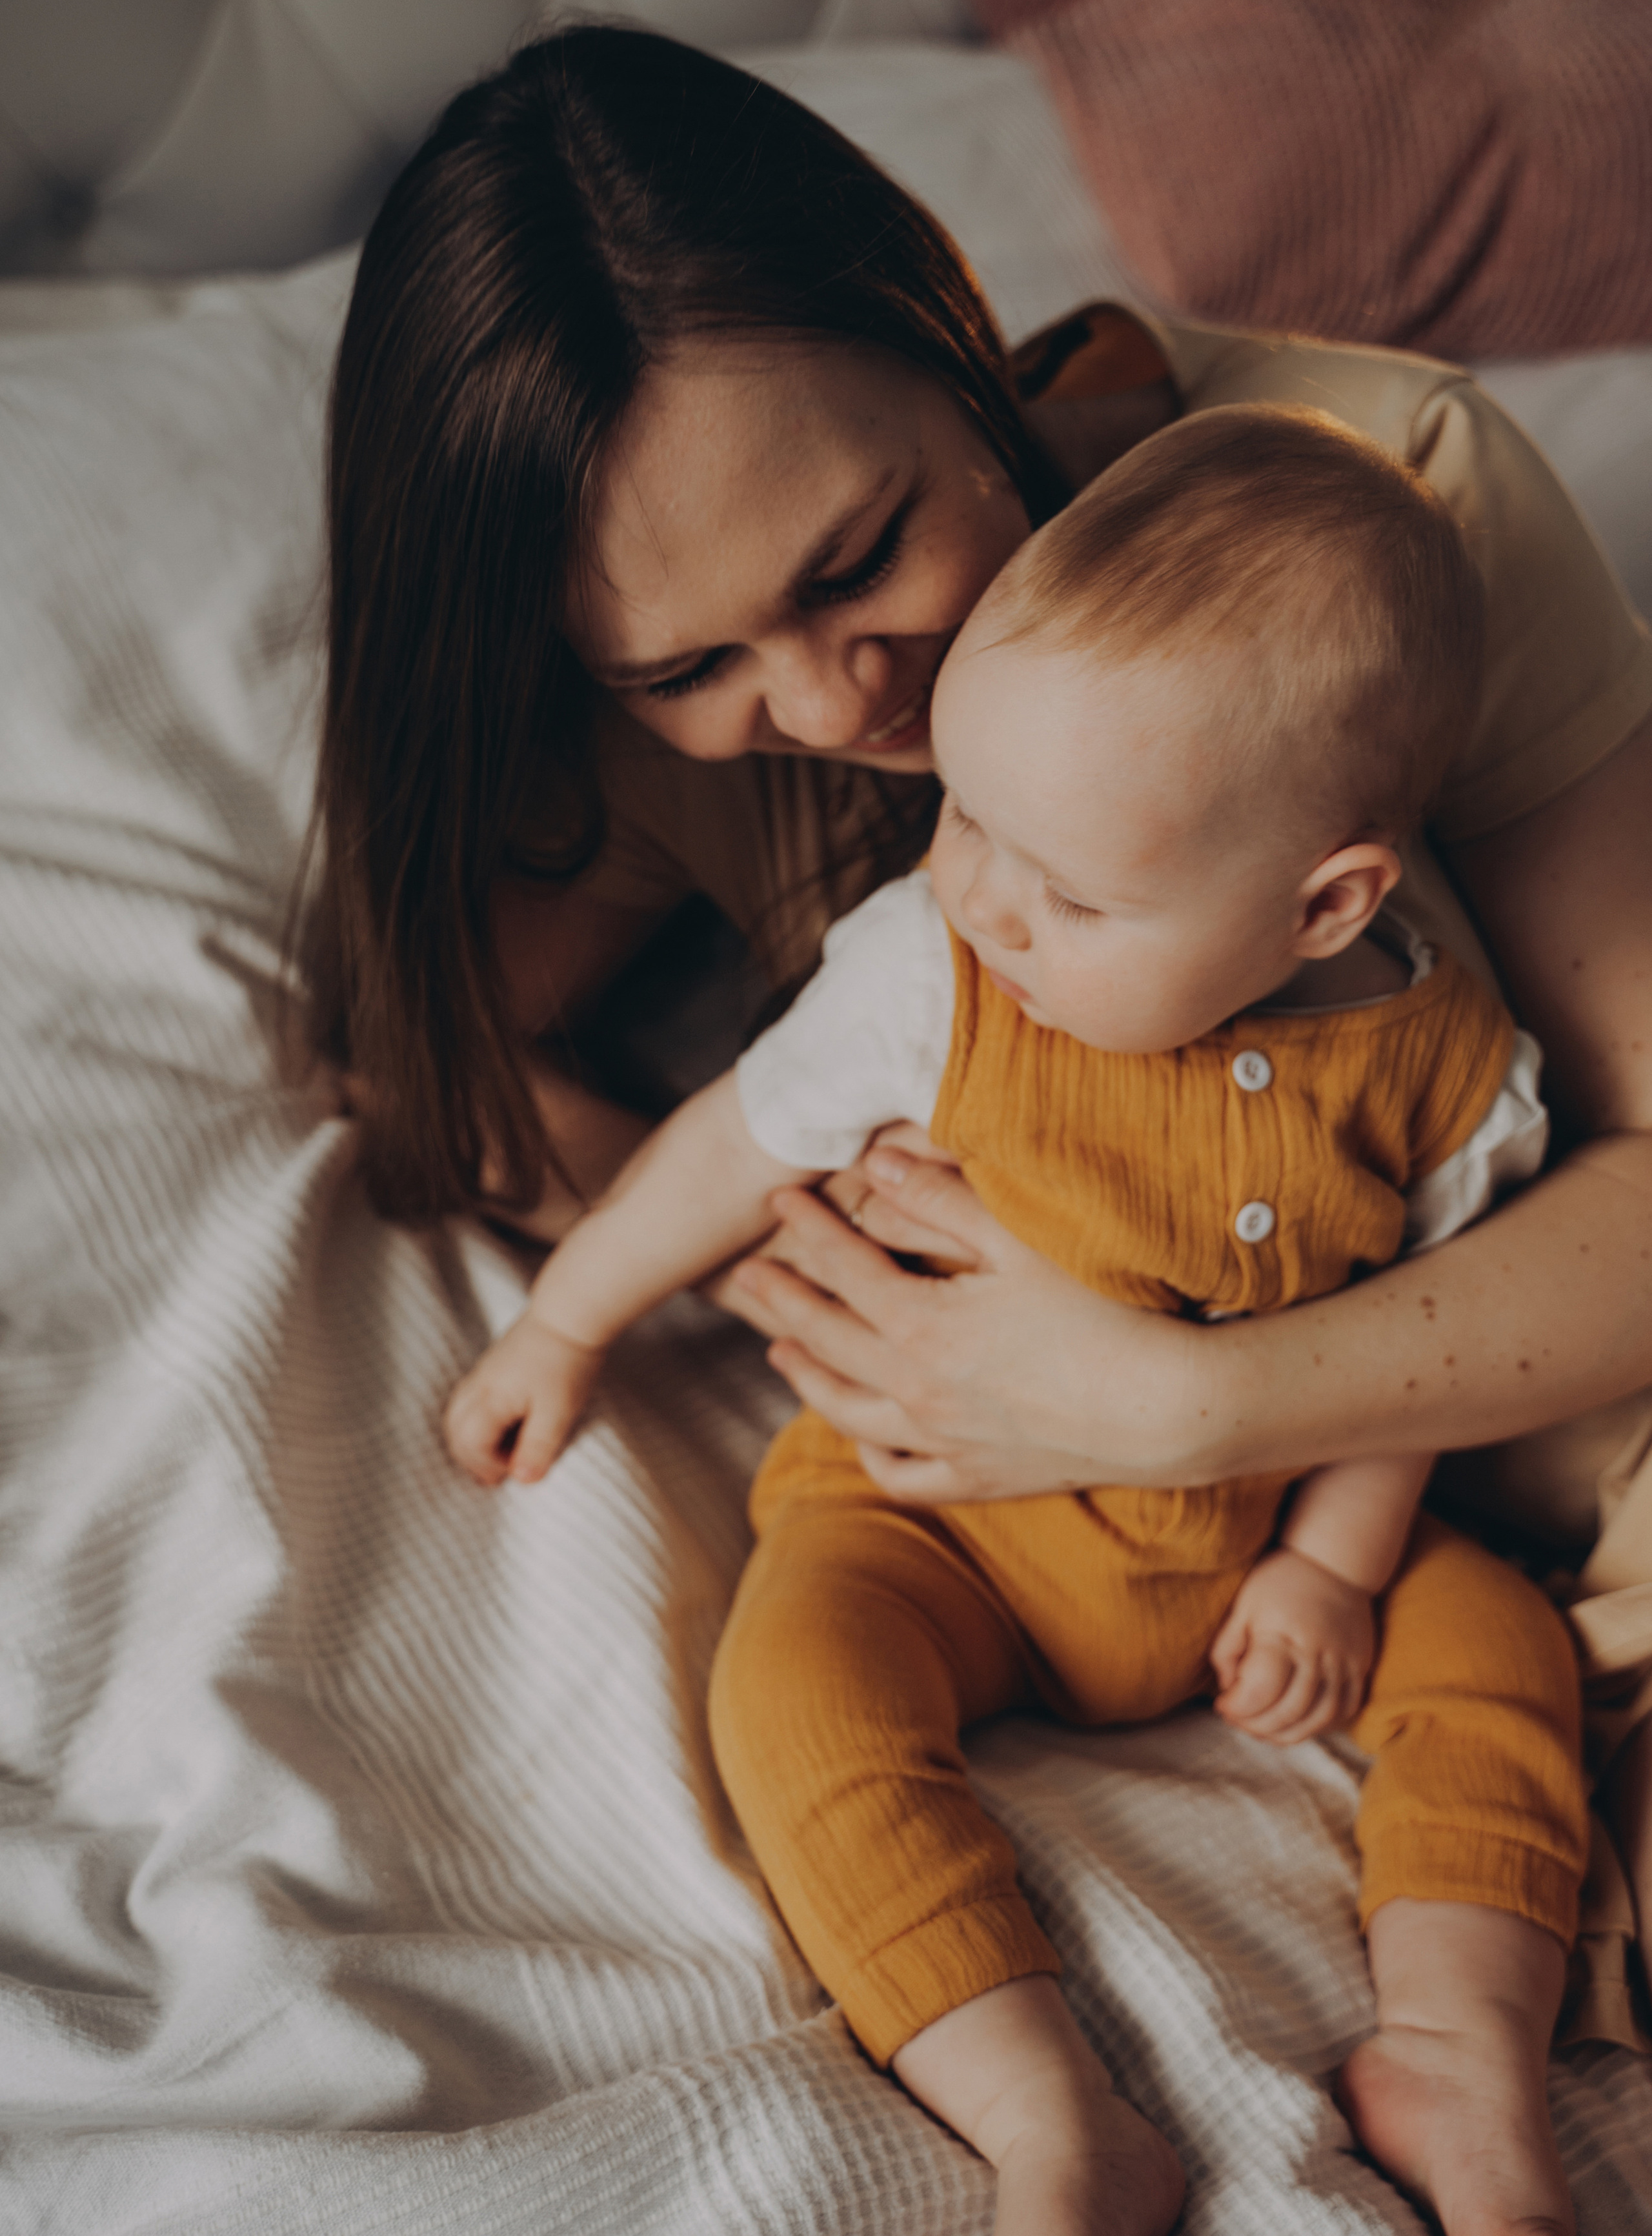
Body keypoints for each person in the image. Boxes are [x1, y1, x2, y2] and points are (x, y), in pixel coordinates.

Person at [308, 24, 1652, 2038]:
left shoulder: (1386, 501)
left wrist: (1166, 1403)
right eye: (690, 665)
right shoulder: (631, 732)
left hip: (1484, 1403)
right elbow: (445, 1054)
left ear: (947, 337)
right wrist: (824, 1264)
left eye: (856, 561)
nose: (838, 699)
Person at [441, 409, 1588, 2236]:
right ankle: (1043, 2104)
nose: (985, 892)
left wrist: (1336, 1569)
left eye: (1070, 891)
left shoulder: (1448, 1067)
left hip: (1256, 1530)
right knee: (797, 1686)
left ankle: (1459, 2046)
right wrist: (563, 1328)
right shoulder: (932, 972)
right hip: (943, 1522)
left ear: (1326, 903)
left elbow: (1411, 1347)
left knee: (1501, 1659)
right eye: (970, 815)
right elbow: (729, 1145)